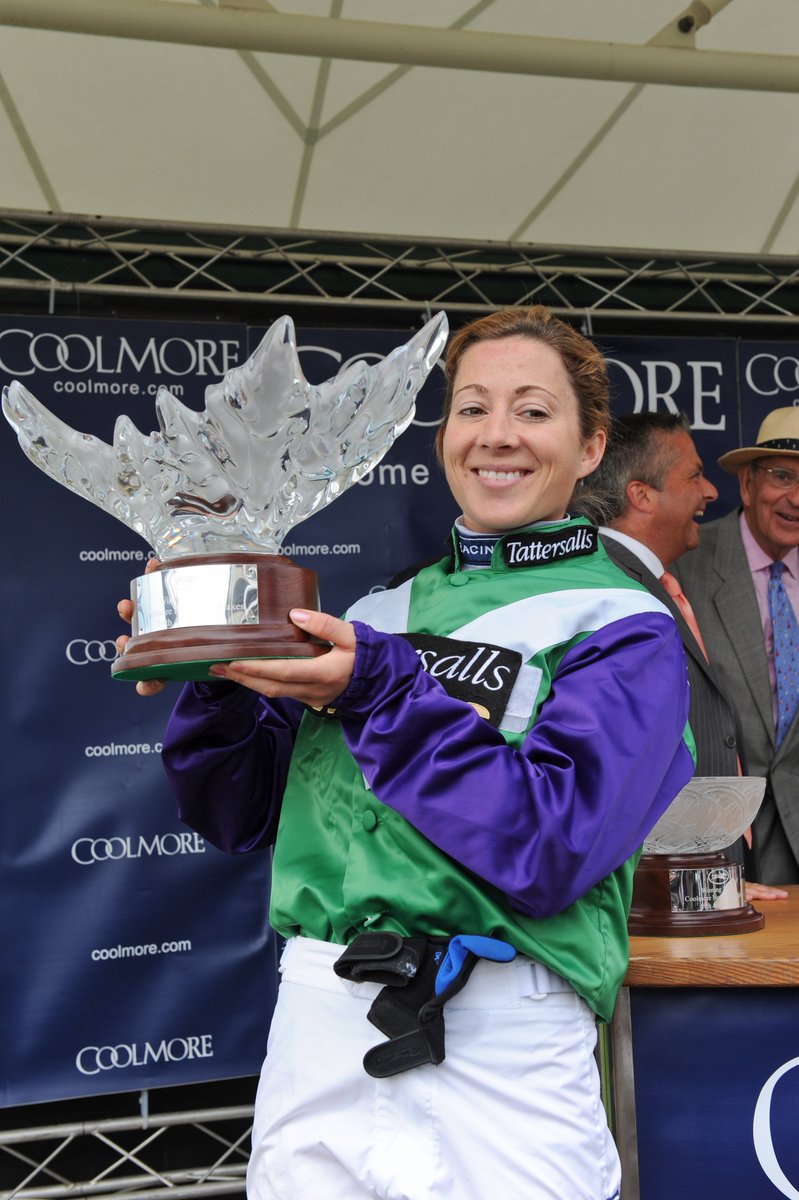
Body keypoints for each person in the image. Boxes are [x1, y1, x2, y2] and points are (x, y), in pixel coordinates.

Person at [119, 306, 695, 1200]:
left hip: (502, 1037)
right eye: (470, 408)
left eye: (532, 411)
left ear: (589, 450)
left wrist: (383, 689)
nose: (495, 435)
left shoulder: (624, 625)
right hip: (319, 1022)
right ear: (441, 436)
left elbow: (550, 850)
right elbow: (237, 813)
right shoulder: (380, 611)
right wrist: (219, 672)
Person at [583, 412, 787, 902]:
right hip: (661, 900)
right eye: (693, 476)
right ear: (641, 495)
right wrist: (687, 884)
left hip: (703, 882)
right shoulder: (613, 589)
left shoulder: (654, 582)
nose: (709, 492)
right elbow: (615, 769)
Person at [673, 406, 799, 886]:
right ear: (747, 483)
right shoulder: (687, 561)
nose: (796, 497)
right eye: (782, 476)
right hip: (714, 842)